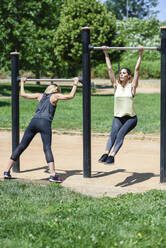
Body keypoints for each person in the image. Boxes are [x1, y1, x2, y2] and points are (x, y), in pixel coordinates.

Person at [4, 76, 80, 182]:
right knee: (47, 148)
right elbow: (71, 96)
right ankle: (53, 174)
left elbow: (23, 94)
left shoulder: (39, 95)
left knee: (21, 145)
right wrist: (75, 83)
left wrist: (22, 82)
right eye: (58, 90)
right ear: (55, 90)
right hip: (45, 123)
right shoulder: (55, 96)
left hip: (33, 122)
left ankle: (6, 171)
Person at [99, 46, 144, 164]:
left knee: (120, 134)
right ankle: (106, 153)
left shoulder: (132, 86)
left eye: (124, 73)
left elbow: (137, 70)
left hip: (131, 118)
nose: (121, 74)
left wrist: (140, 54)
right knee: (113, 134)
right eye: (120, 73)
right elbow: (109, 69)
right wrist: (106, 53)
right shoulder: (116, 86)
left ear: (129, 76)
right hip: (118, 117)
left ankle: (112, 156)